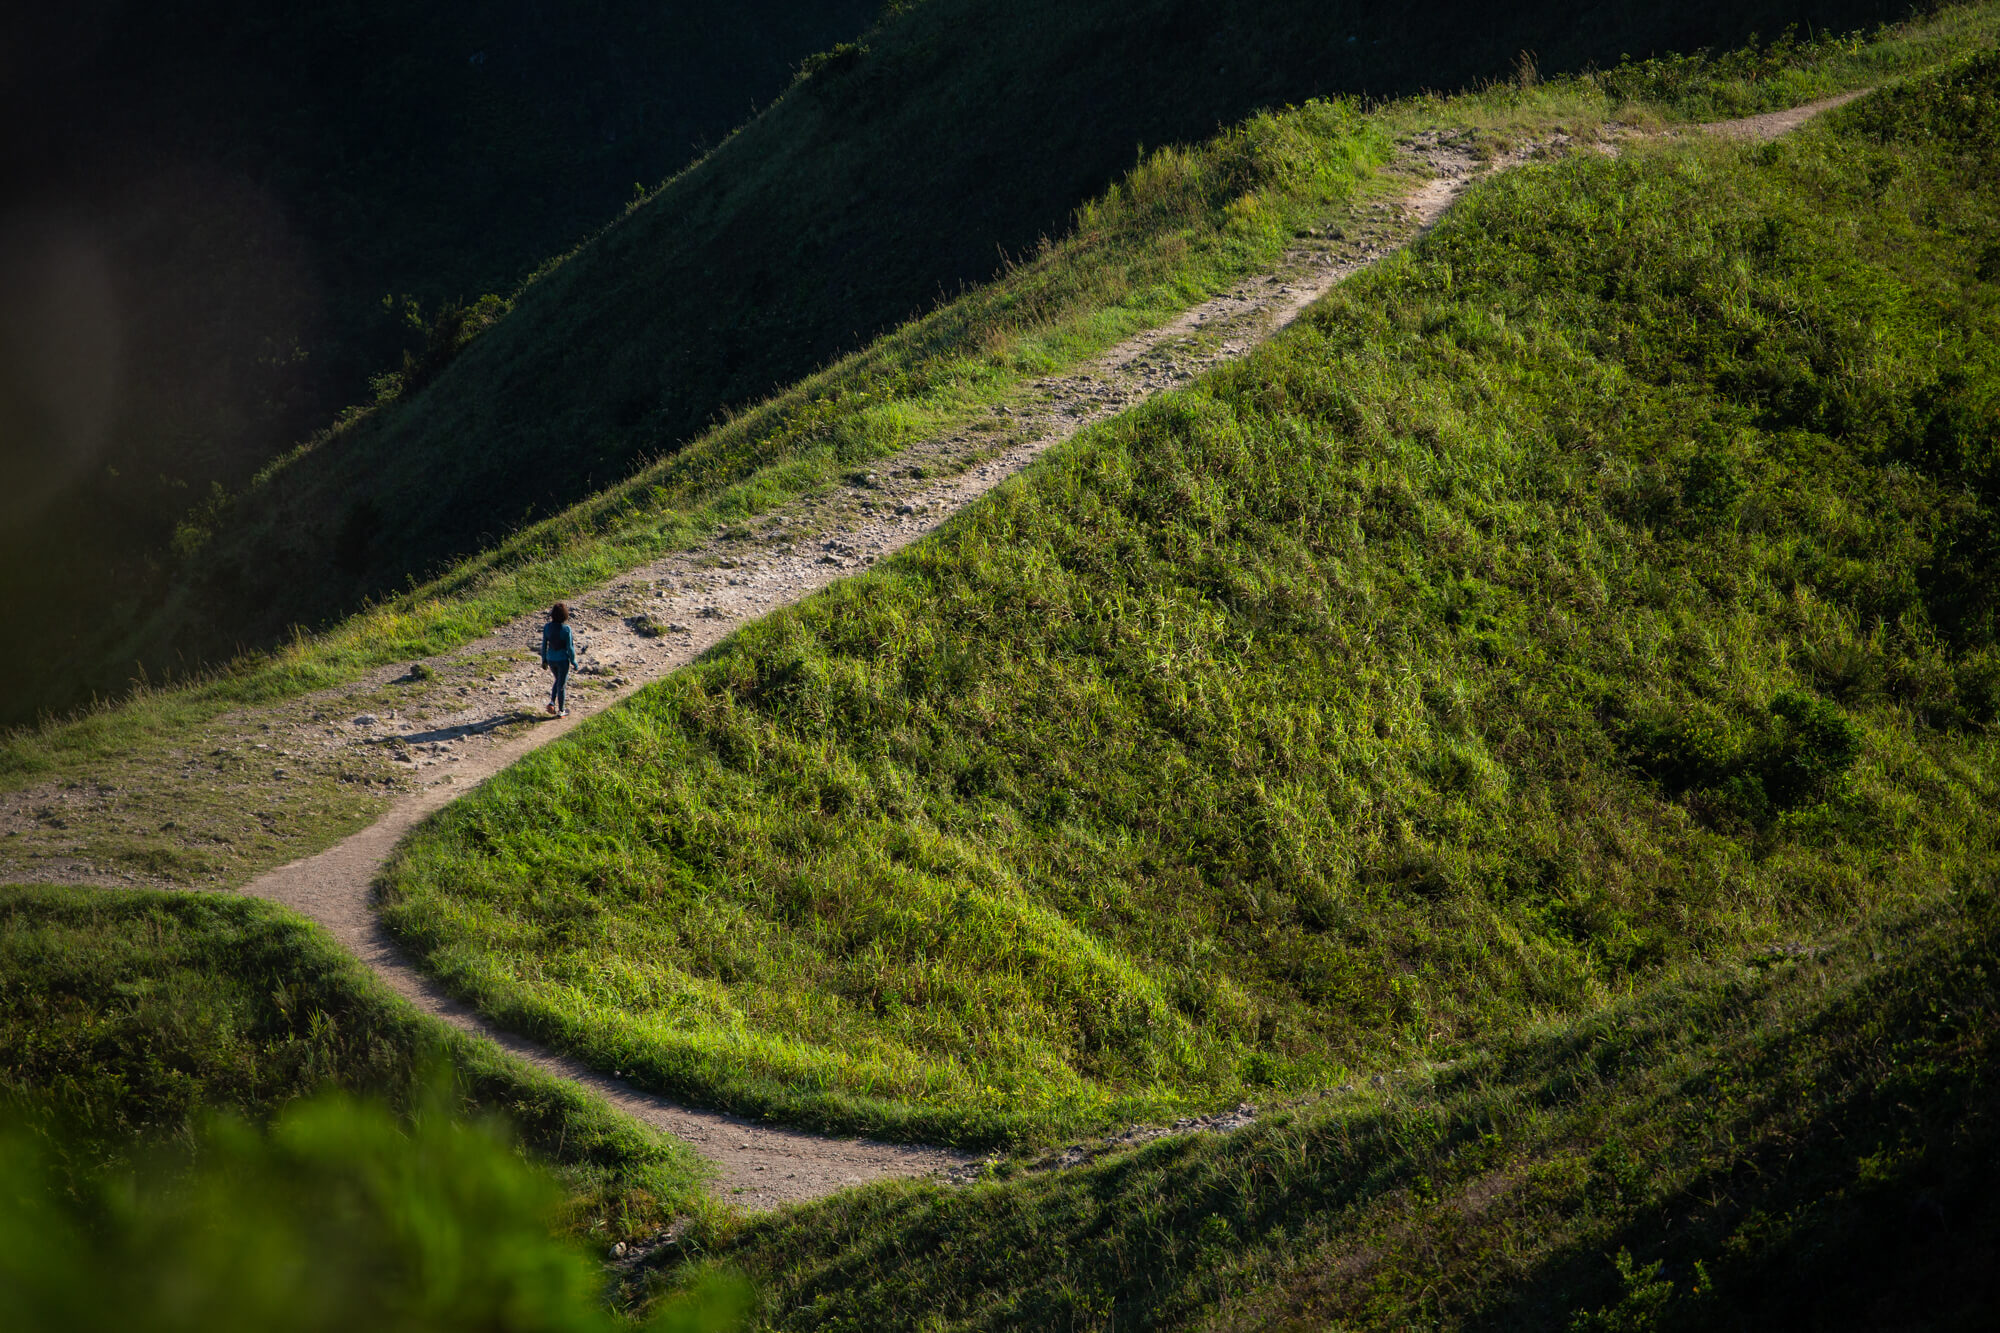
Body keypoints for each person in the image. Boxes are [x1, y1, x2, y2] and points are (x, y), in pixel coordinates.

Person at [540, 602, 578, 716]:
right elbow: (570, 648)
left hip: (551, 658)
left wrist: (544, 660)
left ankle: (552, 702)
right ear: (565, 615)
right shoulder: (566, 629)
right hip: (562, 660)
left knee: (557, 680)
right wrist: (573, 661)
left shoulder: (547, 627)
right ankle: (561, 710)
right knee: (561, 685)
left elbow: (544, 645)